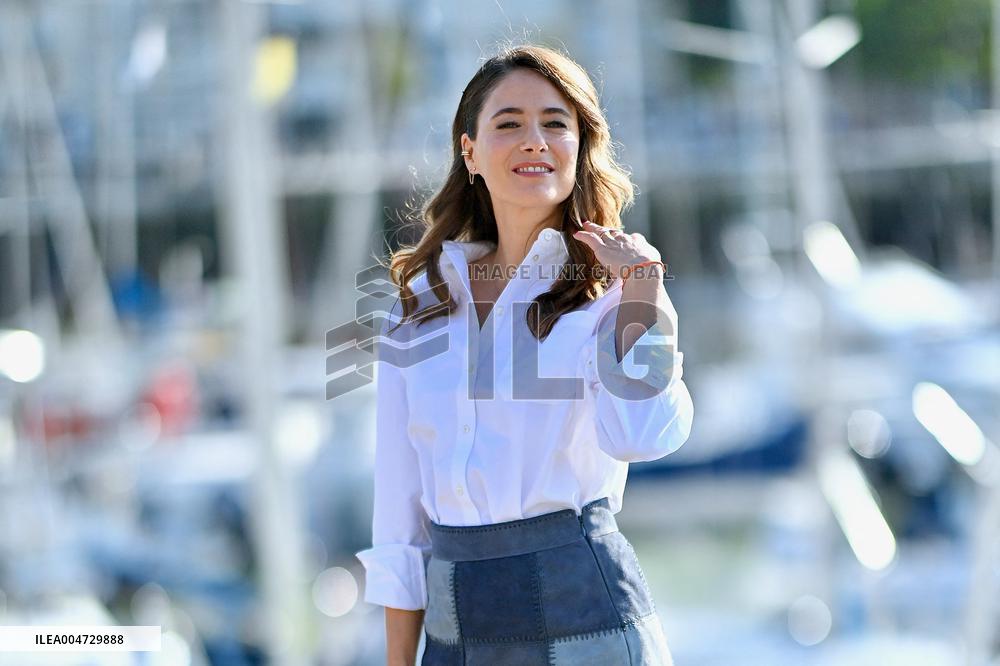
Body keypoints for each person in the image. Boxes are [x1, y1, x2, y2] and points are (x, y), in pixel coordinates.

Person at [355, 43, 694, 666]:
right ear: (470, 151)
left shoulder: (613, 296)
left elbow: (640, 435)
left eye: (555, 124)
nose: (534, 140)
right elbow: (399, 524)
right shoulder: (419, 309)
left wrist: (641, 293)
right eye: (508, 123)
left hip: (588, 622)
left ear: (579, 149)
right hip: (455, 635)